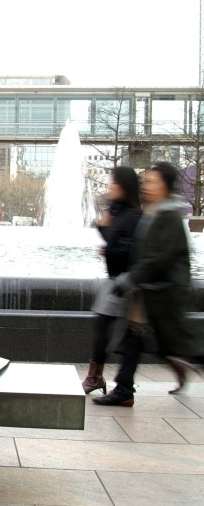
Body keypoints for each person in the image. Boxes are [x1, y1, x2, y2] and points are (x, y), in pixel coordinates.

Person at [95, 162, 200, 406]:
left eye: (153, 181)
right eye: (146, 181)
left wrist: (130, 279)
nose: (147, 185)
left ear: (166, 186)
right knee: (138, 338)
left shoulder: (169, 216)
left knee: (158, 340)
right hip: (149, 288)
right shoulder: (153, 211)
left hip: (162, 289)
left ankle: (124, 390)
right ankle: (124, 390)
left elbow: (158, 257)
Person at [82, 167, 142, 394]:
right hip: (115, 279)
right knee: (106, 327)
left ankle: (98, 378)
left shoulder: (133, 216)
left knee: (111, 329)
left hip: (123, 281)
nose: (110, 187)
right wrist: (103, 228)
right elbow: (114, 240)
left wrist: (109, 251)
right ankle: (96, 377)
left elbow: (129, 251)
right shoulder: (121, 212)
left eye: (113, 183)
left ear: (124, 186)